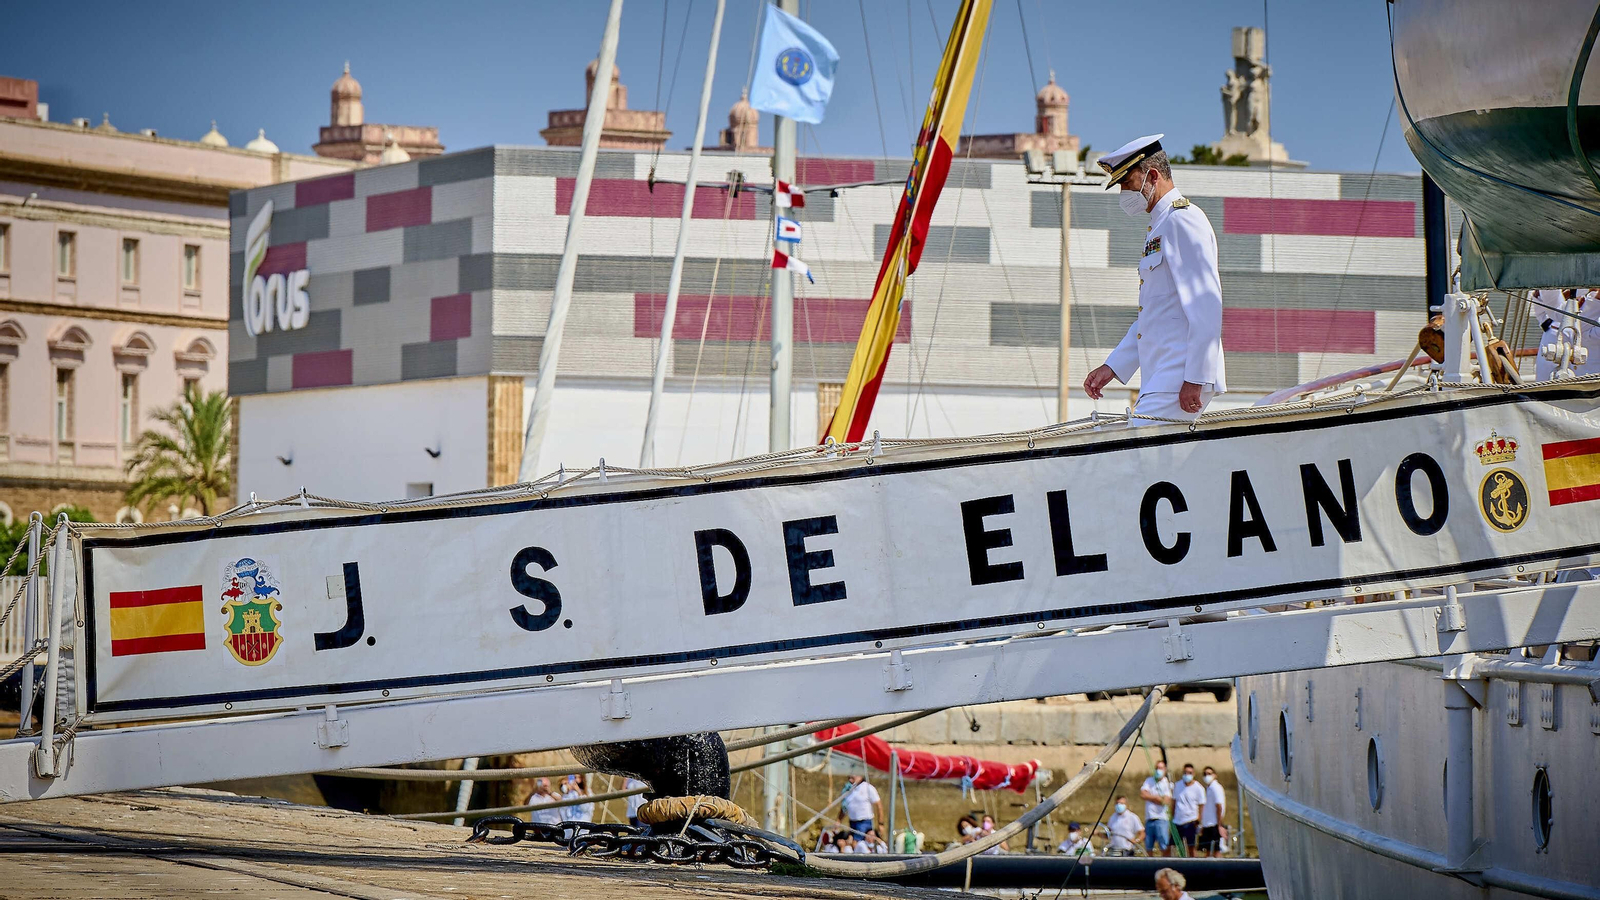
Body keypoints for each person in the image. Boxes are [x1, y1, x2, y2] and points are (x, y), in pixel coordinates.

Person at [1083, 134, 1226, 425]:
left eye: (1127, 182)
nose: (1124, 192)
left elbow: (1206, 305)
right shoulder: (1160, 226)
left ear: (1153, 175)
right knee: (1143, 460)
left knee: (1132, 455)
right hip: (1162, 373)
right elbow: (1154, 315)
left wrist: (1195, 378)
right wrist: (1113, 366)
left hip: (1180, 374)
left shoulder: (1183, 220)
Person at [1140, 761, 1174, 856]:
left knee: (1164, 845)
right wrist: (1156, 797)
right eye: (1157, 768)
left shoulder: (1167, 783)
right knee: (1148, 846)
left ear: (1165, 770)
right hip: (1149, 818)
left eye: (1161, 768)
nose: (1158, 770)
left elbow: (1165, 801)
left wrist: (1150, 796)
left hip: (1161, 818)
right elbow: (1143, 794)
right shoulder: (1149, 780)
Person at [1172, 763, 1205, 856]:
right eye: (1185, 772)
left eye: (1189, 773)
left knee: (1191, 847)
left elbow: (1201, 805)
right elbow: (1174, 802)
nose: (1187, 775)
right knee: (1173, 846)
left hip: (1191, 821)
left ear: (1193, 774)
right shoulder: (1178, 785)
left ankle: (1194, 867)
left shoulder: (1199, 788)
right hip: (1178, 820)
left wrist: (1199, 820)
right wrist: (1172, 817)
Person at [841, 774, 884, 840]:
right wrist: (838, 820)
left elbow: (879, 805)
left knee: (857, 843)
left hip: (864, 822)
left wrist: (880, 824)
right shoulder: (848, 789)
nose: (850, 778)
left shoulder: (868, 788)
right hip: (852, 822)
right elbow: (844, 807)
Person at [1198, 766, 1227, 857]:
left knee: (1216, 850)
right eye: (1205, 774)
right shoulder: (1208, 788)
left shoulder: (1216, 788)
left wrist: (1219, 825)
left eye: (1209, 774)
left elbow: (1219, 806)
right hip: (1207, 824)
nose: (1207, 776)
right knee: (1207, 850)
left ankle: (1220, 870)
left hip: (1214, 824)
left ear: (1215, 775)